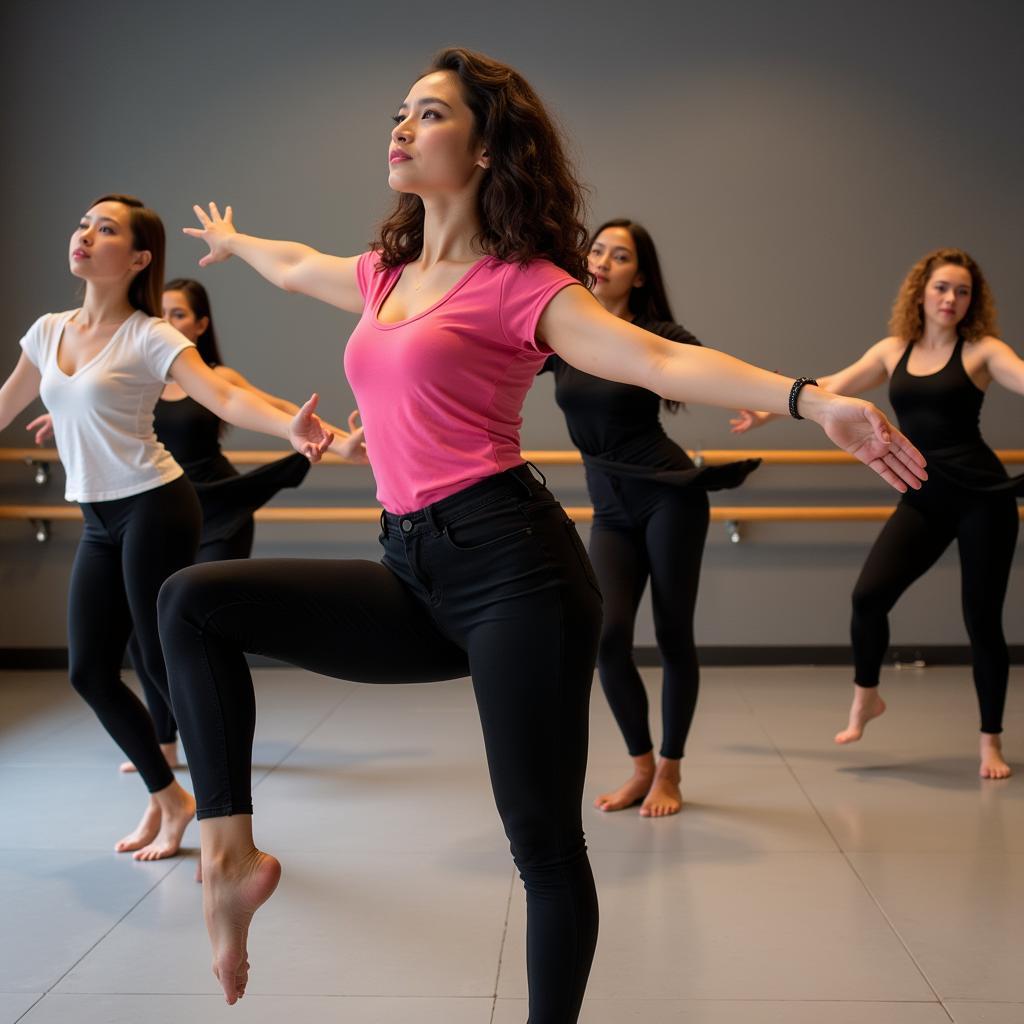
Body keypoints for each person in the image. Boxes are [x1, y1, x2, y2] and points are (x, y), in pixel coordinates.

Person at [157, 49, 925, 1018]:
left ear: (484, 149)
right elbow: (297, 266)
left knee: (543, 846)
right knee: (192, 601)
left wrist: (812, 400)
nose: (399, 126)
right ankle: (230, 857)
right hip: (411, 565)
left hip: (514, 571)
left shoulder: (525, 283)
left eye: (428, 114)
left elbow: (651, 358)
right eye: (400, 110)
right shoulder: (384, 274)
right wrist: (239, 240)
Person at [0, 193, 362, 863]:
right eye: (82, 222)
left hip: (155, 505)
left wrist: (292, 426)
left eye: (104, 229)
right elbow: (6, 404)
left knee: (164, 666)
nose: (84, 234)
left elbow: (223, 394)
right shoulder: (47, 331)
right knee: (89, 670)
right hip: (99, 515)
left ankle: (226, 826)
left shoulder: (150, 335)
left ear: (138, 258)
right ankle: (171, 797)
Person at [26, 277, 354, 773]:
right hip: (160, 504)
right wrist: (63, 411)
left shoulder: (211, 373)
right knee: (143, 629)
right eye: (163, 312)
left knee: (187, 620)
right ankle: (165, 742)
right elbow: (100, 400)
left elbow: (276, 408)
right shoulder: (142, 367)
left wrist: (341, 440)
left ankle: (213, 732)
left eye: (179, 314)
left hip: (219, 508)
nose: (167, 321)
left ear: (199, 324)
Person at [732, 247, 1023, 779]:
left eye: (962, 291)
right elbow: (830, 389)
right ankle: (867, 695)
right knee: (868, 597)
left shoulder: (983, 351)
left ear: (971, 301)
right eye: (942, 287)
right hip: (922, 494)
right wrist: (768, 409)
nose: (951, 298)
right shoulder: (893, 350)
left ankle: (990, 742)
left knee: (982, 621)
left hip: (984, 498)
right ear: (921, 291)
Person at [540, 219, 760, 817]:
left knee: (670, 635)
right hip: (610, 507)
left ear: (639, 275)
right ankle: (640, 765)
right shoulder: (560, 333)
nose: (605, 260)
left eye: (622, 255)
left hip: (670, 495)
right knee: (606, 638)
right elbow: (490, 362)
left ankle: (671, 771)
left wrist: (762, 399)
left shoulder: (653, 332)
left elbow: (709, 364)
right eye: (599, 249)